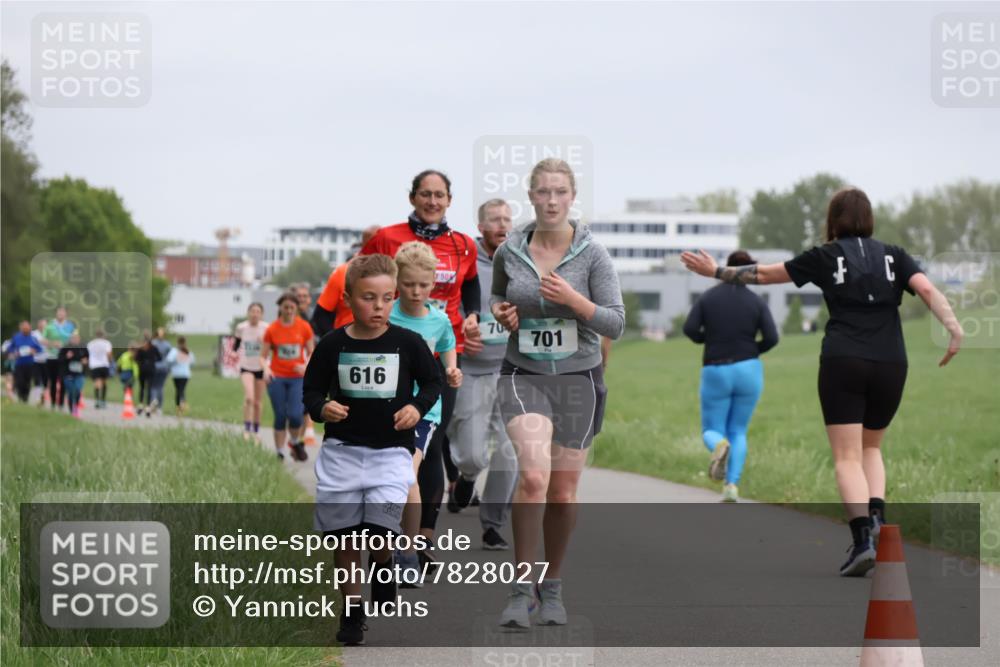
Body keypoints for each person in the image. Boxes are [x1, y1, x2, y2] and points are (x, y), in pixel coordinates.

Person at [680, 186, 963, 577]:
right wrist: (953, 328)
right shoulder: (894, 255)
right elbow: (928, 289)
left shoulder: (826, 256)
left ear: (833, 221)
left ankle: (863, 541)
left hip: (843, 360)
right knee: (872, 448)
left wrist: (716, 271)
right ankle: (877, 518)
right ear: (870, 219)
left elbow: (765, 274)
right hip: (891, 361)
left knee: (847, 456)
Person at [491, 158, 625, 627]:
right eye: (543, 192)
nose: (551, 201)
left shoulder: (594, 255)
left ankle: (553, 586)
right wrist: (504, 313)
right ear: (531, 196)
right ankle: (519, 589)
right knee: (532, 478)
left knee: (563, 493)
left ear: (572, 197)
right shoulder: (511, 250)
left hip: (579, 378)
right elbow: (497, 297)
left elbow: (616, 322)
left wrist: (575, 302)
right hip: (523, 374)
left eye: (560, 193)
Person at [303, 254, 443, 646]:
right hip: (342, 453)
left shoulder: (407, 343)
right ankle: (351, 614)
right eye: (368, 298)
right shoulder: (333, 345)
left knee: (380, 535)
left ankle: (383, 568)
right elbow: (311, 390)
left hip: (390, 454)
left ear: (393, 297)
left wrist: (416, 407)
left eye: (385, 298)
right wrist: (321, 407)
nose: (378, 307)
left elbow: (433, 384)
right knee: (345, 539)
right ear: (348, 298)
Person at [360, 169, 482, 547]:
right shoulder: (387, 237)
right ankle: (389, 525)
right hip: (389, 350)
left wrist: (473, 315)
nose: (432, 201)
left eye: (439, 195)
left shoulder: (463, 244)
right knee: (390, 440)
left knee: (431, 441)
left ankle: (423, 537)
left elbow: (472, 283)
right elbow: (359, 279)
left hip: (444, 348)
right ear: (413, 197)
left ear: (449, 200)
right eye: (425, 194)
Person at [388, 241, 463, 584]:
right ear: (396, 281)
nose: (415, 291)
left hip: (423, 412)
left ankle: (407, 555)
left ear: (434, 282)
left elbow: (448, 348)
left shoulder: (438, 320)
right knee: (386, 478)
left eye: (423, 284)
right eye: (408, 284)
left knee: (406, 473)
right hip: (382, 409)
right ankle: (385, 545)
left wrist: (451, 370)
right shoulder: (385, 315)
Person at [447, 198, 519, 549]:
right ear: (481, 226)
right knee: (474, 453)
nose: (502, 225)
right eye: (495, 219)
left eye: (507, 219)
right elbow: (445, 307)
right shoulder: (465, 261)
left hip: (511, 371)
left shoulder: (522, 262)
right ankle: (466, 476)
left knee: (511, 451)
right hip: (472, 371)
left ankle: (492, 525)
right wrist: (462, 335)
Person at [683, 250, 779, 503]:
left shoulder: (708, 298)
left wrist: (710, 340)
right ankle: (731, 487)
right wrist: (750, 351)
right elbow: (772, 338)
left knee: (712, 429)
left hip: (716, 368)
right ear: (749, 272)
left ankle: (718, 446)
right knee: (739, 431)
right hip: (749, 370)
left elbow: (690, 329)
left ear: (727, 269)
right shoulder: (757, 303)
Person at [262, 292, 316, 461]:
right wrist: (266, 369)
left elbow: (312, 352)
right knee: (279, 415)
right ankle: (279, 451)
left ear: (296, 308)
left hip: (297, 378)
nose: (289, 310)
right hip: (277, 377)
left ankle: (293, 441)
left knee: (295, 414)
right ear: (281, 308)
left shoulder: (304, 327)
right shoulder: (272, 329)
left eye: (292, 307)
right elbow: (262, 356)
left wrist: (306, 366)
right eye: (286, 307)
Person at [312, 225, 382, 336]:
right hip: (347, 343)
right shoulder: (342, 272)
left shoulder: (392, 272)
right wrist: (335, 342)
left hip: (382, 344)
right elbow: (321, 316)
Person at [233, 302, 268, 441]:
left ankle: (256, 430)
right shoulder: (241, 327)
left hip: (260, 367)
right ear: (248, 313)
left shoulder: (266, 328)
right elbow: (235, 346)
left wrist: (264, 342)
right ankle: (247, 429)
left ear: (261, 314)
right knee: (249, 398)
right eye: (252, 311)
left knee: (258, 402)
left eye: (258, 311)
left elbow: (272, 347)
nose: (255, 314)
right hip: (246, 366)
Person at [291, 282, 319, 447]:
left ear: (309, 300)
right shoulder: (289, 318)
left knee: (309, 397)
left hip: (311, 363)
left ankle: (304, 435)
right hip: (293, 367)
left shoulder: (313, 318)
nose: (302, 299)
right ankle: (298, 437)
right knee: (296, 406)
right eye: (299, 296)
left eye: (305, 296)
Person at [43, 307, 76, 409]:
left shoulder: (71, 326)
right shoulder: (49, 326)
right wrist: (53, 344)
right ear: (56, 314)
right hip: (51, 356)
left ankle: (60, 404)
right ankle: (53, 403)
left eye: (63, 312)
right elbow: (43, 340)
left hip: (64, 358)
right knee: (52, 381)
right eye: (59, 312)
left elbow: (75, 340)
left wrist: (70, 348)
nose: (61, 314)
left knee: (63, 381)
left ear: (66, 314)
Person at [8, 321, 44, 403]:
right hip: (19, 363)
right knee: (20, 381)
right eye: (24, 328)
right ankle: (21, 396)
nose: (26, 330)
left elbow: (40, 349)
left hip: (30, 364)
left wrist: (34, 350)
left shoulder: (33, 338)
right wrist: (14, 352)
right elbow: (10, 347)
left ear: (30, 329)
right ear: (21, 328)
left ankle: (25, 398)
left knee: (27, 382)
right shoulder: (16, 337)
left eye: (27, 328)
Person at [58, 333, 89, 416]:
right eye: (73, 338)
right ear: (70, 339)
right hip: (67, 374)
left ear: (79, 339)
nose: (75, 340)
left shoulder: (83, 348)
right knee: (71, 392)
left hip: (79, 374)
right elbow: (60, 360)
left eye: (77, 338)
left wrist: (85, 362)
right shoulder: (65, 348)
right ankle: (72, 410)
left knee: (78, 390)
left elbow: (87, 359)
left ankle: (76, 407)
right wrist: (67, 357)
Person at [165, 336, 194, 415]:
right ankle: (182, 404)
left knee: (178, 390)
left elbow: (169, 360)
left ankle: (179, 406)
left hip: (176, 374)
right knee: (181, 390)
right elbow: (192, 362)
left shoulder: (174, 351)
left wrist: (175, 361)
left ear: (177, 342)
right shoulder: (187, 351)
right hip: (186, 374)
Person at [134, 333, 161, 417]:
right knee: (149, 388)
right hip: (151, 369)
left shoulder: (141, 348)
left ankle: (141, 404)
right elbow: (160, 358)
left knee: (142, 387)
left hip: (142, 369)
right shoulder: (154, 348)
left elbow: (136, 359)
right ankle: (148, 407)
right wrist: (152, 360)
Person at [86, 328, 114, 409]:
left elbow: (88, 354)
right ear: (103, 335)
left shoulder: (91, 344)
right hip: (104, 364)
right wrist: (110, 361)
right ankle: (103, 400)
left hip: (94, 365)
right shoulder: (106, 343)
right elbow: (109, 354)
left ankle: (97, 400)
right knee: (104, 383)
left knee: (97, 383)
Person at [149, 327, 173, 415]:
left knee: (153, 386)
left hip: (154, 367)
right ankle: (160, 408)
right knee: (160, 387)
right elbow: (171, 357)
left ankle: (153, 400)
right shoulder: (168, 345)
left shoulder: (153, 343)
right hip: (164, 368)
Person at [31, 319, 49, 405]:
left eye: (45, 325)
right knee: (37, 379)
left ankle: (43, 395)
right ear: (38, 325)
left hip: (46, 360)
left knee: (45, 380)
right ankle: (38, 398)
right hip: (36, 360)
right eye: (42, 325)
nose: (43, 327)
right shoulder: (34, 334)